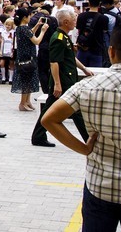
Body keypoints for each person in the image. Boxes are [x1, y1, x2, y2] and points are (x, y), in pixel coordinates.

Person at [42, 24, 121, 231]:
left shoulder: (86, 86)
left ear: (111, 51)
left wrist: (83, 148)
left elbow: (49, 119)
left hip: (98, 185)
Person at [32, 9, 93, 148]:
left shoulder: (64, 37)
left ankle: (38, 136)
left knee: (49, 109)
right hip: (63, 81)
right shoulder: (58, 38)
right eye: (73, 20)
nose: (75, 22)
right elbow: (54, 62)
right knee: (76, 110)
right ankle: (88, 139)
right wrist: (57, 84)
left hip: (67, 79)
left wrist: (84, 69)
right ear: (66, 22)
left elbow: (70, 57)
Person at [12, 8, 48, 111]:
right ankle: (23, 103)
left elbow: (30, 33)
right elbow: (36, 41)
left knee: (28, 80)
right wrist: (42, 31)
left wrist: (37, 25)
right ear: (25, 17)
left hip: (23, 57)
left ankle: (27, 102)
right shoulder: (25, 29)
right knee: (26, 81)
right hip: (28, 57)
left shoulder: (20, 28)